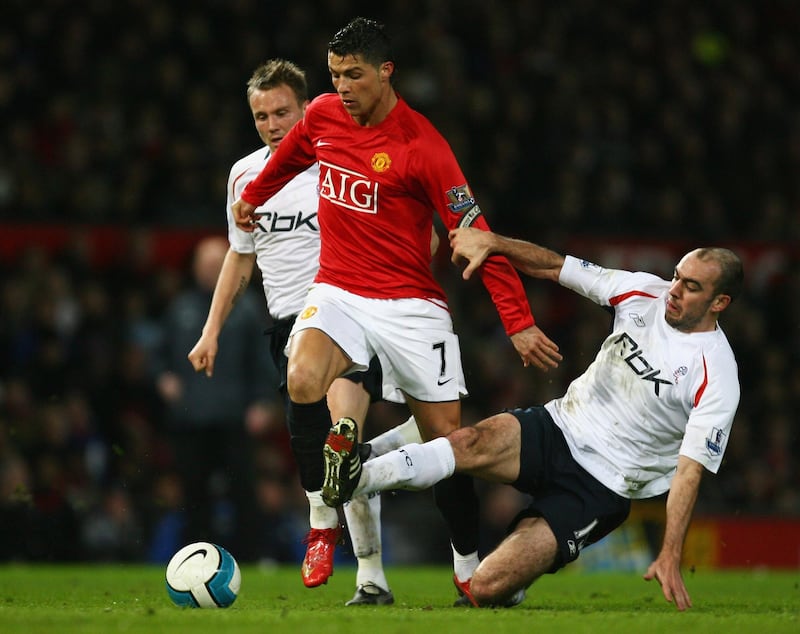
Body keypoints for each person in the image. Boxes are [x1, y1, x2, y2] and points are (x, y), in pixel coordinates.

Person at [231, 17, 562, 603]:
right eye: (335, 75)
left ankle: (467, 566)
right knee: (303, 378)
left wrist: (518, 320)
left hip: (411, 306)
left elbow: (474, 232)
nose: (343, 87)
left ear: (386, 72)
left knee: (449, 448)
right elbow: (286, 157)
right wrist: (252, 198)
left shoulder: (423, 146)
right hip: (337, 289)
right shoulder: (325, 115)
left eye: (354, 75)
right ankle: (322, 524)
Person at [322, 226, 742, 611]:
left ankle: (512, 581)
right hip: (560, 427)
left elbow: (689, 472)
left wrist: (670, 553)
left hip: (603, 483)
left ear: (719, 302)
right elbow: (555, 266)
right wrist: (495, 243)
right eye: (676, 276)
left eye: (691, 286)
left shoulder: (716, 373)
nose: (674, 290)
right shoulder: (642, 293)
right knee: (467, 442)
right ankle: (355, 478)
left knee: (485, 589)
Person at [187, 58, 424, 605]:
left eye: (282, 112)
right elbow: (240, 259)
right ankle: (364, 550)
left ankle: (350, 556)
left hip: (344, 313)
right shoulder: (244, 176)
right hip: (286, 327)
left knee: (344, 436)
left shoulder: (338, 164)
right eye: (261, 116)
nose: (272, 124)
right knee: (331, 455)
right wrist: (211, 330)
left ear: (308, 107)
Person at [156, 235, 272, 561]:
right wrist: (162, 378)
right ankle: (195, 557)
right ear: (194, 268)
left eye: (216, 264)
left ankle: (251, 557)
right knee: (194, 493)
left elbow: (263, 360)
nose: (209, 270)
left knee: (243, 491)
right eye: (204, 264)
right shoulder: (179, 307)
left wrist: (263, 401)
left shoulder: (247, 308)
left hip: (235, 416)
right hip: (190, 417)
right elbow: (159, 356)